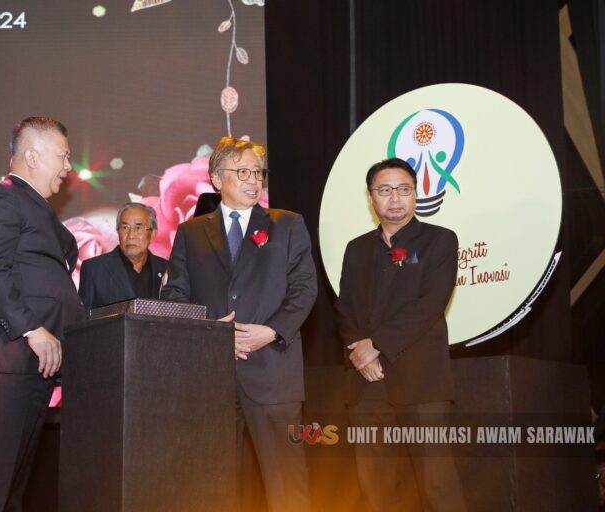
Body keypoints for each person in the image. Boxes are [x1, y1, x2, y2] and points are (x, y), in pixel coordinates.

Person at [161, 136, 317, 512]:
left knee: (287, 484)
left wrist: (272, 331)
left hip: (273, 372)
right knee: (213, 484)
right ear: (217, 178)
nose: (253, 180)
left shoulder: (287, 224)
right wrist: (213, 336)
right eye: (242, 172)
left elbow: (304, 289)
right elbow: (174, 295)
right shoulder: (191, 232)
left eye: (258, 173)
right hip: (212, 377)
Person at [0, 116, 85, 511]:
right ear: (32, 156)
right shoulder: (2, 196)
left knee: (12, 489)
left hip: (32, 365)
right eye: (63, 156)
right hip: (9, 358)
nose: (68, 167)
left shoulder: (36, 206)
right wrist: (32, 328)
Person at [335, 157, 467, 511]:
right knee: (375, 489)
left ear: (415, 194)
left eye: (403, 189)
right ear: (371, 197)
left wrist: (376, 345)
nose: (394, 198)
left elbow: (430, 304)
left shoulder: (439, 240)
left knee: (437, 484)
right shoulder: (357, 248)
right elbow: (345, 307)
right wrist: (360, 354)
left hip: (421, 380)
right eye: (384, 190)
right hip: (367, 382)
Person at [78, 202, 167, 313]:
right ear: (118, 232)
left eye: (138, 228)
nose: (131, 235)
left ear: (153, 234)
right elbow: (84, 318)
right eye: (125, 227)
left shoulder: (166, 269)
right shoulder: (95, 269)